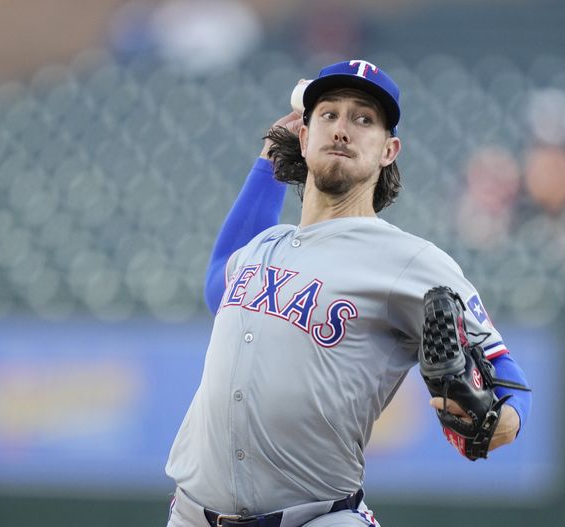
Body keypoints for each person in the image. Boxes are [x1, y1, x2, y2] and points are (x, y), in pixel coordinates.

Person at [165, 59, 532, 527]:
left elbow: (507, 375)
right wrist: (268, 164)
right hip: (193, 515)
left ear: (388, 150)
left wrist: (506, 420)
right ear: (303, 135)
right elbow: (217, 282)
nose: (343, 129)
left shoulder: (411, 261)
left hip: (318, 518)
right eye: (329, 115)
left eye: (363, 119)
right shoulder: (263, 246)